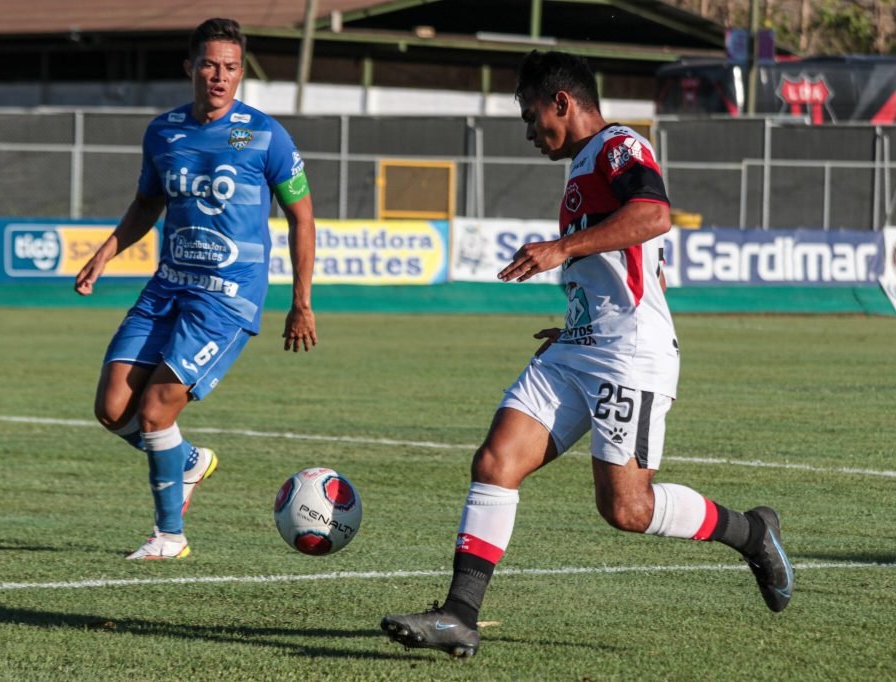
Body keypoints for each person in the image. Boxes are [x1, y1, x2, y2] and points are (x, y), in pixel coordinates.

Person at [380, 50, 793, 658]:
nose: (528, 131)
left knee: (626, 508)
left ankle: (753, 532)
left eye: (530, 114)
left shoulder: (617, 144)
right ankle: (459, 615)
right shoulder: (583, 164)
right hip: (580, 346)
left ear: (562, 102)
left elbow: (652, 214)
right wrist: (576, 316)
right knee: (497, 460)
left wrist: (560, 248)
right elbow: (616, 261)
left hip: (629, 353)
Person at [75, 18, 317, 560]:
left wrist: (301, 302)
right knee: (114, 408)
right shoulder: (162, 132)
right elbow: (147, 203)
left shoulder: (266, 135)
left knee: (158, 410)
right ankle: (184, 461)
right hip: (167, 287)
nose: (220, 76)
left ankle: (169, 537)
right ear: (191, 67)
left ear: (240, 72)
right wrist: (106, 252)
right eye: (210, 65)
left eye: (231, 67)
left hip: (227, 296)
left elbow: (303, 218)